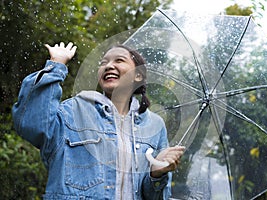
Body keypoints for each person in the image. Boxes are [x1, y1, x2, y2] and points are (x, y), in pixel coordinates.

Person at [12, 41, 185, 199]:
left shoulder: (155, 125)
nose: (108, 66)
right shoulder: (73, 111)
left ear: (138, 75)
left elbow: (156, 196)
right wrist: (56, 65)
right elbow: (31, 124)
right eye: (103, 63)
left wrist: (157, 174)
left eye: (119, 60)